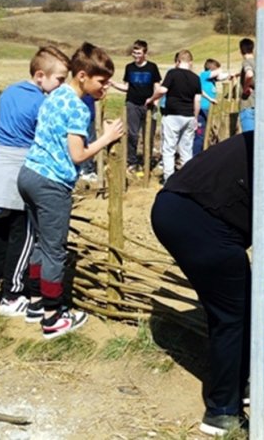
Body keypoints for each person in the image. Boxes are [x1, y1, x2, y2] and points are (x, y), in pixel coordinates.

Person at [151, 123, 264, 437]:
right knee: (233, 316)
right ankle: (222, 412)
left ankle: (244, 381)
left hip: (171, 210)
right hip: (206, 224)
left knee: (233, 303)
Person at [17, 42, 124, 339]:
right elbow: (78, 155)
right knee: (54, 250)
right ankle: (52, 317)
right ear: (82, 76)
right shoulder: (77, 107)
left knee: (40, 242)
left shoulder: (55, 94)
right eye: (102, 81)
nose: (106, 87)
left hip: (29, 174)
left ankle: (35, 302)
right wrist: (106, 137)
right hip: (51, 183)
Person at [0, 46, 70, 316]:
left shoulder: (9, 93)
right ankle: (11, 294)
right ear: (40, 75)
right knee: (22, 236)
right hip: (17, 173)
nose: (61, 86)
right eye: (60, 80)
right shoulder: (43, 104)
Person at [145, 49, 200, 182]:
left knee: (169, 149)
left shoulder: (172, 73)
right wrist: (195, 118)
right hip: (189, 116)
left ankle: (169, 180)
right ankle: (187, 179)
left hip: (173, 115)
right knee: (186, 150)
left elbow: (162, 90)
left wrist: (151, 99)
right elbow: (197, 100)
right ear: (190, 62)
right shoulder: (196, 78)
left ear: (178, 61)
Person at [109, 40, 160, 172]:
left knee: (148, 134)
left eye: (139, 53)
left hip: (148, 105)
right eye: (134, 52)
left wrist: (156, 101)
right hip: (132, 104)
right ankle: (132, 161)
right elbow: (127, 87)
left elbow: (157, 86)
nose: (136, 55)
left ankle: (147, 161)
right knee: (132, 134)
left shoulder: (152, 67)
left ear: (145, 53)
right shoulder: (129, 67)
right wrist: (114, 84)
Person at [193, 58, 231, 156]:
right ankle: (195, 156)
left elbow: (221, 76)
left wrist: (230, 75)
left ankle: (200, 154)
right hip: (201, 110)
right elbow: (218, 73)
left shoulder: (211, 80)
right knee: (199, 136)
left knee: (205, 135)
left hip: (207, 111)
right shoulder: (204, 75)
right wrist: (220, 70)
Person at [237, 38, 256, 133]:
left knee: (249, 139)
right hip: (260, 106)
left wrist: (245, 88)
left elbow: (249, 74)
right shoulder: (260, 63)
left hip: (248, 105)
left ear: (241, 50)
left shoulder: (246, 62)